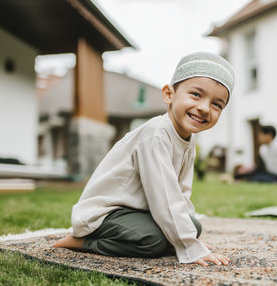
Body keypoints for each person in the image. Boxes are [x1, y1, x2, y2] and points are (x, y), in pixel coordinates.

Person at [53, 52, 234, 266]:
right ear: (169, 94)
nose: (205, 108)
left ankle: (176, 235)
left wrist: (191, 239)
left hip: (138, 211)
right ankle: (83, 241)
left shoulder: (187, 140)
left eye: (217, 104)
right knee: (152, 241)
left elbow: (181, 193)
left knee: (194, 225)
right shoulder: (156, 134)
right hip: (106, 213)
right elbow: (164, 197)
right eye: (196, 94)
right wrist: (187, 246)